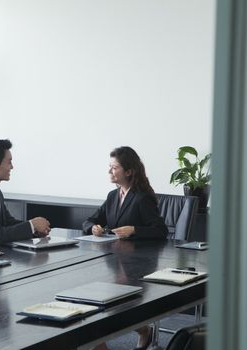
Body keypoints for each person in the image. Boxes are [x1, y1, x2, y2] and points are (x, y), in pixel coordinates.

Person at [82, 146, 168, 350]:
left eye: (114, 168)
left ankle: (143, 330)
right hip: (116, 262)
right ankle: (143, 330)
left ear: (129, 171)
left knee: (115, 307)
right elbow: (90, 220)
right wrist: (92, 227)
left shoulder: (141, 197)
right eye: (109, 167)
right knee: (109, 306)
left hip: (137, 264)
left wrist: (134, 229)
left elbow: (160, 230)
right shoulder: (113, 196)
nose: (110, 171)